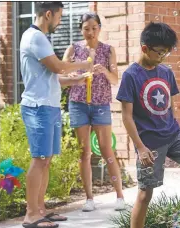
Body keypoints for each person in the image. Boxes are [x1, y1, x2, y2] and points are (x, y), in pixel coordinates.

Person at [116, 22, 180, 228]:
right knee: (144, 193)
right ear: (144, 48)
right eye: (159, 52)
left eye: (166, 52)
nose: (163, 56)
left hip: (173, 135)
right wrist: (140, 147)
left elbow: (170, 106)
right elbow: (127, 116)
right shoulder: (131, 75)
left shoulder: (166, 72)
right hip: (149, 144)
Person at [20, 2, 93, 228]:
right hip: (38, 107)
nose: (60, 22)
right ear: (48, 14)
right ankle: (31, 214)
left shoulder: (40, 38)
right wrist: (85, 63)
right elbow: (59, 67)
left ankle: (40, 209)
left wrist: (75, 80)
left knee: (47, 160)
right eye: (60, 17)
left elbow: (52, 77)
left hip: (49, 106)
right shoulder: (35, 37)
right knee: (40, 158)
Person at [62, 12, 125, 212]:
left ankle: (120, 196)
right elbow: (62, 73)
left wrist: (104, 71)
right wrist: (71, 74)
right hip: (78, 104)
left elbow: (115, 79)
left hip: (101, 105)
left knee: (107, 150)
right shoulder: (74, 48)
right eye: (86, 28)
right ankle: (89, 199)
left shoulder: (108, 50)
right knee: (84, 153)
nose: (90, 32)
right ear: (81, 29)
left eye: (94, 28)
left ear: (99, 28)